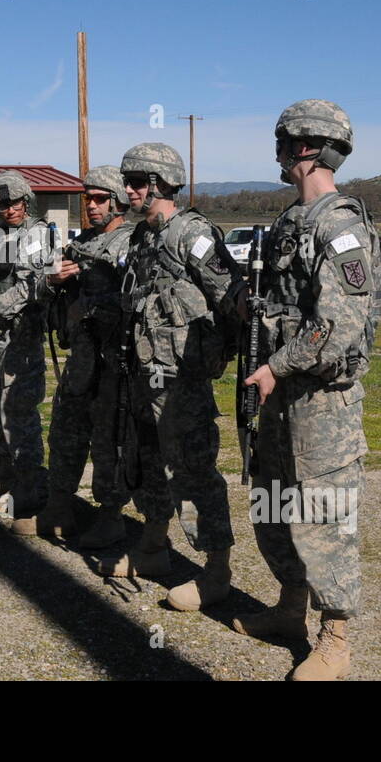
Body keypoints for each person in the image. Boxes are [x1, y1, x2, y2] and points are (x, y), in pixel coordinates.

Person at [230, 99, 381, 681]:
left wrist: (278, 364)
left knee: (323, 513)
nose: (277, 152)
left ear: (304, 147)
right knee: (272, 503)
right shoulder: (292, 221)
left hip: (320, 401)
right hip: (279, 397)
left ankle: (335, 638)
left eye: (282, 142)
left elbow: (337, 323)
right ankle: (290, 610)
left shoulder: (339, 225)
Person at [101, 143, 239, 614]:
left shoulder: (192, 236)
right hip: (143, 372)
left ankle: (215, 571)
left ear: (159, 184)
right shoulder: (143, 238)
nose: (129, 191)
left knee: (193, 471)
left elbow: (233, 299)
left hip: (182, 381)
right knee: (145, 459)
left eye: (137, 183)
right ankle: (154, 549)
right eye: (128, 182)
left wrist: (219, 356)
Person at [36, 166, 137, 544]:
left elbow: (139, 298)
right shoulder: (79, 244)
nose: (91, 206)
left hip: (115, 362)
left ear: (118, 201)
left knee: (108, 438)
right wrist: (54, 278)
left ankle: (111, 515)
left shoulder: (134, 243)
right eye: (87, 199)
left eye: (99, 199)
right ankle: (59, 504)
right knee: (64, 432)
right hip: (81, 357)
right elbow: (43, 286)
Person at [0, 170, 55, 534]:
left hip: (19, 336)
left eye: (15, 202)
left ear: (27, 201)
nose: (9, 209)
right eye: (2, 204)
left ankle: (31, 485)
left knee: (18, 409)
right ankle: (6, 472)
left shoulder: (37, 234)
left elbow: (31, 285)